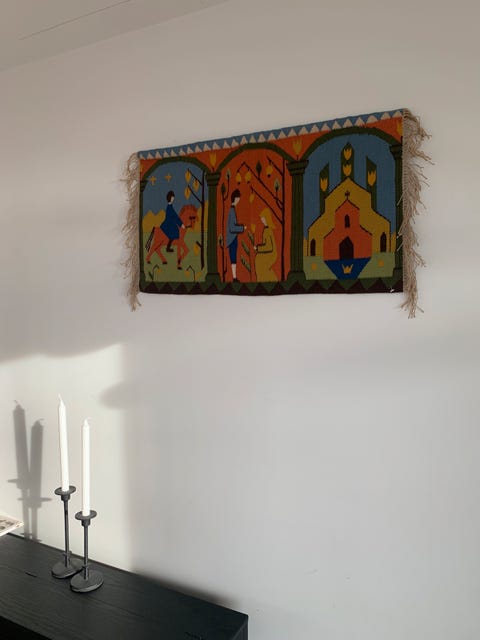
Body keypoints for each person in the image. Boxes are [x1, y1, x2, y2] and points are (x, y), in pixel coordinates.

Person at [226, 189, 245, 281]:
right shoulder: (232, 211)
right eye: (238, 198)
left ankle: (234, 277)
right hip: (232, 239)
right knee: (233, 257)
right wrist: (242, 228)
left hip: (233, 238)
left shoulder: (232, 210)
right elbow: (232, 228)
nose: (239, 200)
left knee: (233, 257)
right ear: (236, 198)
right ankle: (234, 277)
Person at [254, 208, 278, 282]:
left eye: (263, 218)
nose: (262, 220)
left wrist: (258, 248)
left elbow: (269, 247)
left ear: (267, 218)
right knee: (258, 259)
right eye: (262, 218)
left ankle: (266, 280)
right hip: (268, 252)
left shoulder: (268, 230)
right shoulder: (266, 229)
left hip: (271, 253)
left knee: (259, 261)